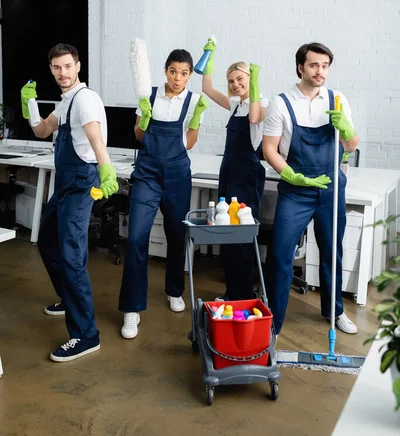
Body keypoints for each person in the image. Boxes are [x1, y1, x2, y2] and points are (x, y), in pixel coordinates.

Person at [20, 43, 119, 362]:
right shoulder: (65, 103)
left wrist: (107, 168)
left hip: (80, 184)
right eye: (56, 68)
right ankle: (69, 297)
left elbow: (94, 136)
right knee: (47, 240)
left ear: (78, 66)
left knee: (71, 255)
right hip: (64, 185)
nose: (62, 73)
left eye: (67, 66)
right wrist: (30, 104)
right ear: (51, 70)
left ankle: (86, 335)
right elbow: (40, 130)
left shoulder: (85, 99)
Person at [262, 42, 359, 335]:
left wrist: (347, 130)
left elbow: (351, 147)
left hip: (331, 188)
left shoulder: (337, 99)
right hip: (296, 190)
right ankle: (273, 323)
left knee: (332, 252)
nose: (320, 71)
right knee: (280, 254)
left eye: (325, 66)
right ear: (300, 67)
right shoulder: (281, 103)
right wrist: (292, 175)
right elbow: (269, 149)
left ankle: (335, 312)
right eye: (314, 65)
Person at [118, 49, 208, 339]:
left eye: (184, 73)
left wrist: (194, 122)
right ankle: (131, 309)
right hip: (147, 174)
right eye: (173, 71)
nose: (177, 78)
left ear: (190, 74)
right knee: (135, 238)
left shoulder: (194, 100)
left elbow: (189, 143)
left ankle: (174, 290)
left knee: (176, 234)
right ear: (165, 70)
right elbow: (139, 135)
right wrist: (144, 118)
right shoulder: (150, 95)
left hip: (178, 174)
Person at [201, 38, 268, 301]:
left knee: (241, 234)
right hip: (229, 173)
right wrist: (209, 56)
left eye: (240, 79)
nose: (234, 85)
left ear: (250, 79)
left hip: (247, 176)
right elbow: (207, 88)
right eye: (231, 81)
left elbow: (254, 118)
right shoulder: (235, 104)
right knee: (226, 230)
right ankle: (233, 292)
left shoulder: (262, 102)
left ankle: (242, 294)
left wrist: (254, 85)